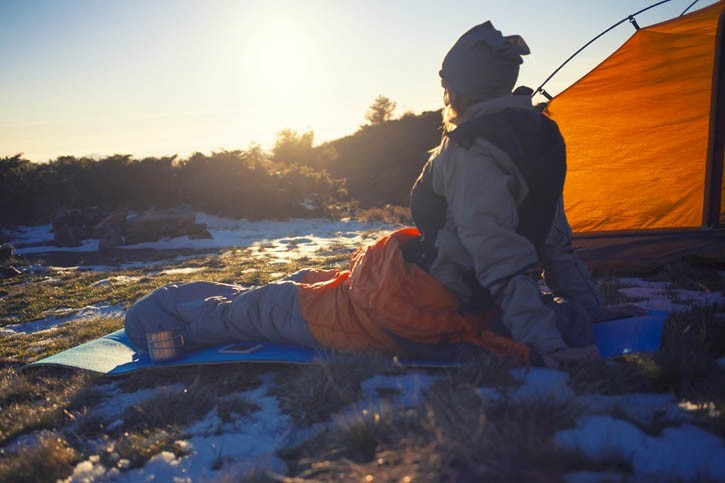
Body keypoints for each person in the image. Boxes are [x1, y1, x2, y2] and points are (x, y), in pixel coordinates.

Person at [408, 21, 641, 367]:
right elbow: (553, 239)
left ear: (458, 90)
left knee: (318, 309)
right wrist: (590, 308)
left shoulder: (470, 148)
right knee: (572, 324)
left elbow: (494, 249)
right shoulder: (540, 134)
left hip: (438, 295)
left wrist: (546, 344)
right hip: (464, 285)